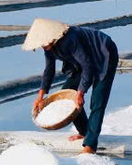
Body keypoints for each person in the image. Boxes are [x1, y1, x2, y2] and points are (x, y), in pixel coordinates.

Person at [24, 18, 118, 154]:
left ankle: (90, 145)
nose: (43, 46)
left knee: (98, 100)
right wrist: (40, 95)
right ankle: (85, 132)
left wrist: (81, 92)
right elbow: (49, 70)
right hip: (83, 61)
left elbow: (87, 66)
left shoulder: (69, 39)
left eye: (43, 43)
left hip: (103, 53)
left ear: (51, 37)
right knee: (67, 97)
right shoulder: (48, 47)